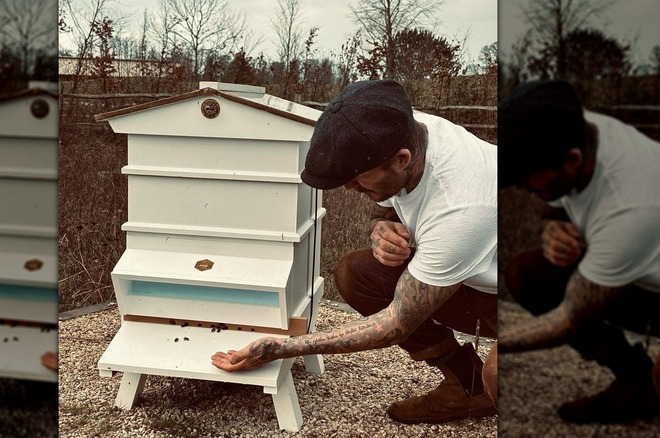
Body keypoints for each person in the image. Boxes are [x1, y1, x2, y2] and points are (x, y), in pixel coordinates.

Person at [211, 79, 499, 425]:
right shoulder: (400, 129)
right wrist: (380, 226)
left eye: (358, 177)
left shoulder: (461, 207)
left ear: (401, 160)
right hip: (483, 275)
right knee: (357, 273)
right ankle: (466, 386)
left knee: (499, 375)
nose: (349, 187)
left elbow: (395, 324)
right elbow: (390, 199)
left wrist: (283, 347)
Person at [497, 80, 660, 423]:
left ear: (572, 160)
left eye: (527, 179)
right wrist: (553, 225)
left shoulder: (631, 205)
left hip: (653, 277)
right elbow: (558, 198)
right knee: (528, 273)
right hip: (646, 273)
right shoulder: (573, 128)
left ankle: (655, 384)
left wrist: (495, 346)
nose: (521, 188)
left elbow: (569, 321)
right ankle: (637, 383)